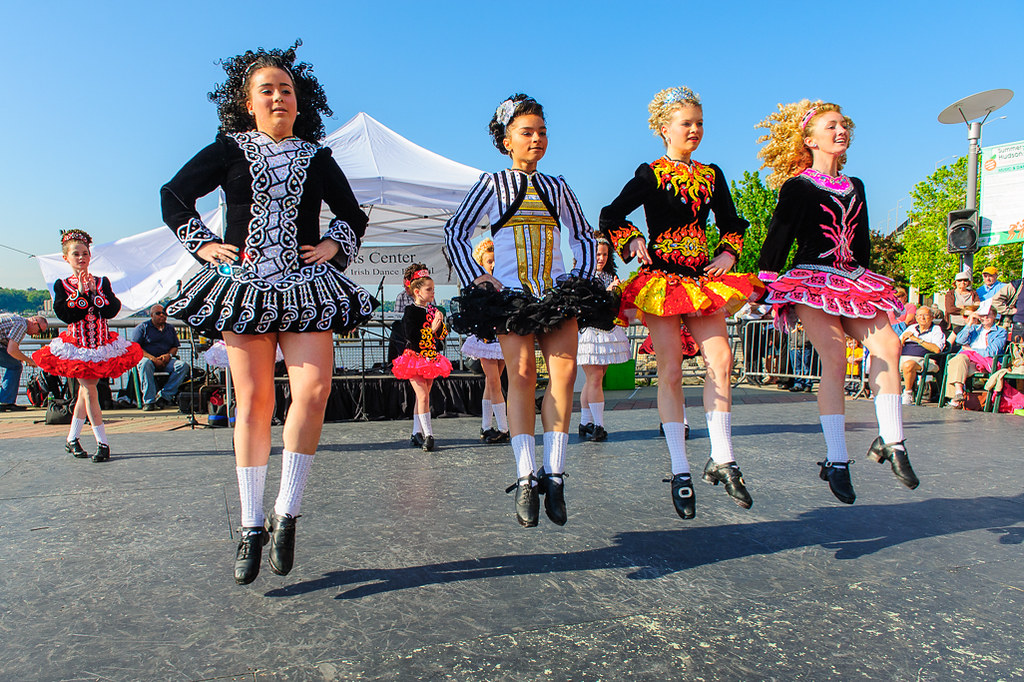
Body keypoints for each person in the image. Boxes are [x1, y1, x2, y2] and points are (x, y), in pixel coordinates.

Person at [161, 42, 375, 585]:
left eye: (286, 90)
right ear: (247, 102)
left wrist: (333, 245)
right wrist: (204, 245)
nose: (278, 96)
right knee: (254, 402)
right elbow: (173, 195)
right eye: (267, 90)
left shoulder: (317, 157)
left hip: (306, 286)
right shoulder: (228, 149)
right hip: (245, 290)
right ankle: (251, 524)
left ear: (299, 103)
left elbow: (351, 214)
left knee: (314, 391)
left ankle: (288, 512)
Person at [445, 93, 608, 529]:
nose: (536, 139)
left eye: (541, 132)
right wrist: (477, 277)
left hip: (556, 295)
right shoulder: (491, 184)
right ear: (506, 140)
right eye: (526, 133)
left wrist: (582, 277)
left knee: (566, 374)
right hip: (511, 298)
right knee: (519, 377)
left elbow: (585, 237)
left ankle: (553, 473)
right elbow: (456, 232)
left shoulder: (558, 186)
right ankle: (524, 476)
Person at [601, 87, 762, 519]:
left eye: (700, 123)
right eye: (686, 123)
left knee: (722, 361)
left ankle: (723, 457)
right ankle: (679, 468)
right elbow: (611, 214)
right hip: (662, 282)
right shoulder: (650, 173)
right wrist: (633, 239)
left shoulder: (712, 174)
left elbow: (731, 222)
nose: (694, 130)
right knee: (670, 369)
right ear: (663, 128)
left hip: (702, 280)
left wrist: (728, 252)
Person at [757, 99, 919, 505]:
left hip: (852, 278)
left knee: (889, 346)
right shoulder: (798, 186)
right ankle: (837, 457)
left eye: (844, 125)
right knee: (832, 354)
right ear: (810, 139)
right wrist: (765, 286)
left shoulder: (856, 186)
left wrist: (863, 284)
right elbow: (779, 236)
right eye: (831, 126)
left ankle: (893, 441)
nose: (840, 131)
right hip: (812, 278)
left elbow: (861, 243)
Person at [32, 230, 143, 461]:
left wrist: (94, 293)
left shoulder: (102, 281)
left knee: (85, 391)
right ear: (66, 258)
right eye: (76, 254)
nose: (81, 258)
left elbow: (112, 310)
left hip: (101, 344)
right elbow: (66, 315)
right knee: (90, 390)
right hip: (78, 347)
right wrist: (81, 294)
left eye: (85, 253)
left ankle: (72, 439)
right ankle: (102, 442)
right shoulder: (62, 285)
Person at [392, 264, 452, 452]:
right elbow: (412, 337)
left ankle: (416, 433)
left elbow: (441, 336)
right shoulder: (411, 311)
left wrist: (440, 325)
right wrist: (432, 329)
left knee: (422, 398)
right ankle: (429, 435)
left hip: (431, 359)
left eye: (433, 289)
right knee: (423, 396)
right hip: (414, 358)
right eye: (429, 290)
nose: (432, 293)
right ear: (417, 292)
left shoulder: (433, 310)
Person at [577, 237, 630, 442]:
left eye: (605, 254)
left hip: (607, 329)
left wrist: (617, 291)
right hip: (588, 331)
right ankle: (598, 425)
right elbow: (586, 305)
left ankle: (584, 422)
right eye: (598, 254)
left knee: (594, 380)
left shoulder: (611, 276)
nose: (601, 258)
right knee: (595, 378)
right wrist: (608, 293)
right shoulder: (582, 276)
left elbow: (614, 307)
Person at [458, 239, 509, 444]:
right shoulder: (478, 286)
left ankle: (486, 426)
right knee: (494, 381)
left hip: (502, 335)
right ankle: (503, 427)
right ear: (481, 263)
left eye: (495, 260)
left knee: (492, 381)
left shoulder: (503, 282)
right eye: (489, 261)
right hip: (485, 337)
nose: (493, 264)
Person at [943, 306, 1008, 409]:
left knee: (955, 364)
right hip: (967, 360)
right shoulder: (974, 328)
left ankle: (956, 399)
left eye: (988, 315)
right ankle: (958, 393)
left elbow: (991, 351)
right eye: (982, 315)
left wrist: (972, 351)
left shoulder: (1000, 331)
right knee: (958, 360)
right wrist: (969, 323)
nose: (985, 317)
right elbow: (960, 341)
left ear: (994, 316)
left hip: (985, 362)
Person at [130, 304, 190, 410]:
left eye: (164, 313)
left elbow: (175, 346)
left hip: (165, 360)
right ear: (152, 315)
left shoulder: (170, 328)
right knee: (145, 364)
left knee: (182, 366)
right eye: (158, 313)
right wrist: (153, 359)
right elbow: (136, 347)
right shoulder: (142, 328)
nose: (162, 315)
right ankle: (149, 401)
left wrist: (169, 355)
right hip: (148, 358)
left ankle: (165, 396)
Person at [898, 306, 946, 404]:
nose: (922, 318)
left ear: (932, 317)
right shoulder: (911, 328)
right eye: (919, 315)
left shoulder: (936, 330)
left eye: (925, 315)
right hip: (902, 358)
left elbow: (937, 349)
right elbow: (896, 345)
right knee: (885, 362)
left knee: (908, 365)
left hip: (926, 361)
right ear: (916, 318)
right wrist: (902, 341)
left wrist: (917, 340)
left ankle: (908, 393)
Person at [0, 313, 48, 411]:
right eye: (39, 330)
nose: (38, 334)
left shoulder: (17, 319)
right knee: (15, 366)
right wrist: (30, 361)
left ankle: (6, 401)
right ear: (34, 322)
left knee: (15, 364)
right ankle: (6, 401)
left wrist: (22, 359)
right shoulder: (22, 325)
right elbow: (12, 350)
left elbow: (11, 350)